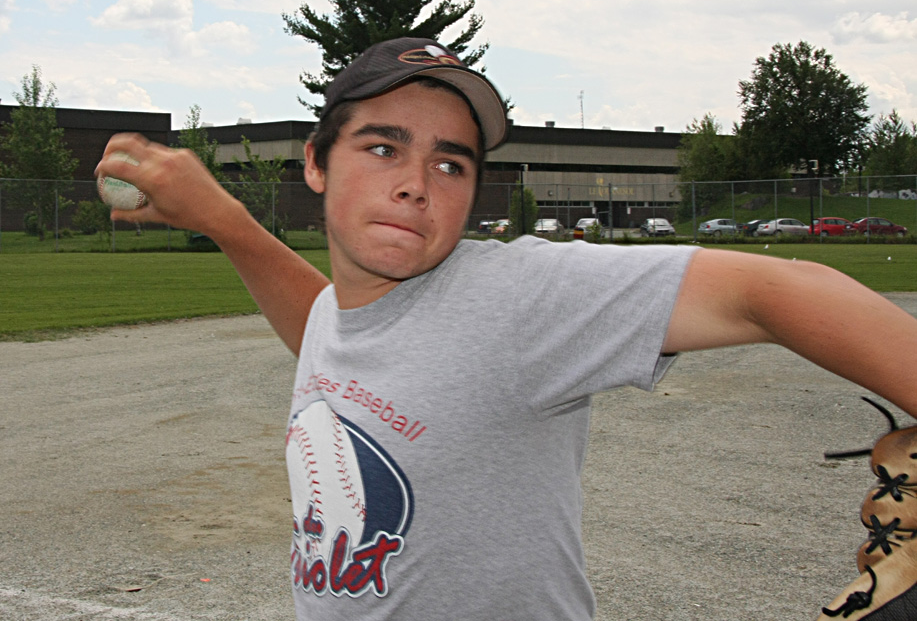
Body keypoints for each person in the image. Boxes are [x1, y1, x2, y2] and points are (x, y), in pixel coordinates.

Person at [96, 37, 917, 621]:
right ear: (315, 161)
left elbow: (773, 289)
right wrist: (227, 223)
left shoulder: (514, 294)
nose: (416, 183)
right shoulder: (339, 313)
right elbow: (331, 327)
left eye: (449, 163)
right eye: (382, 148)